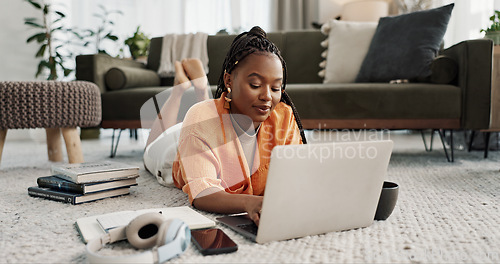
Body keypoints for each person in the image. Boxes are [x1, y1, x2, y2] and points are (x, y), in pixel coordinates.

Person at [144, 26, 307, 225]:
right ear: (228, 79)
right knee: (155, 144)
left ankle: (200, 87)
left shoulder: (283, 116)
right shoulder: (199, 119)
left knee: (206, 115)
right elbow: (203, 193)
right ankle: (180, 89)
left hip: (206, 130)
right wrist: (250, 203)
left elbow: (297, 173)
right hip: (172, 155)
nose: (267, 97)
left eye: (275, 88)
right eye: (255, 85)